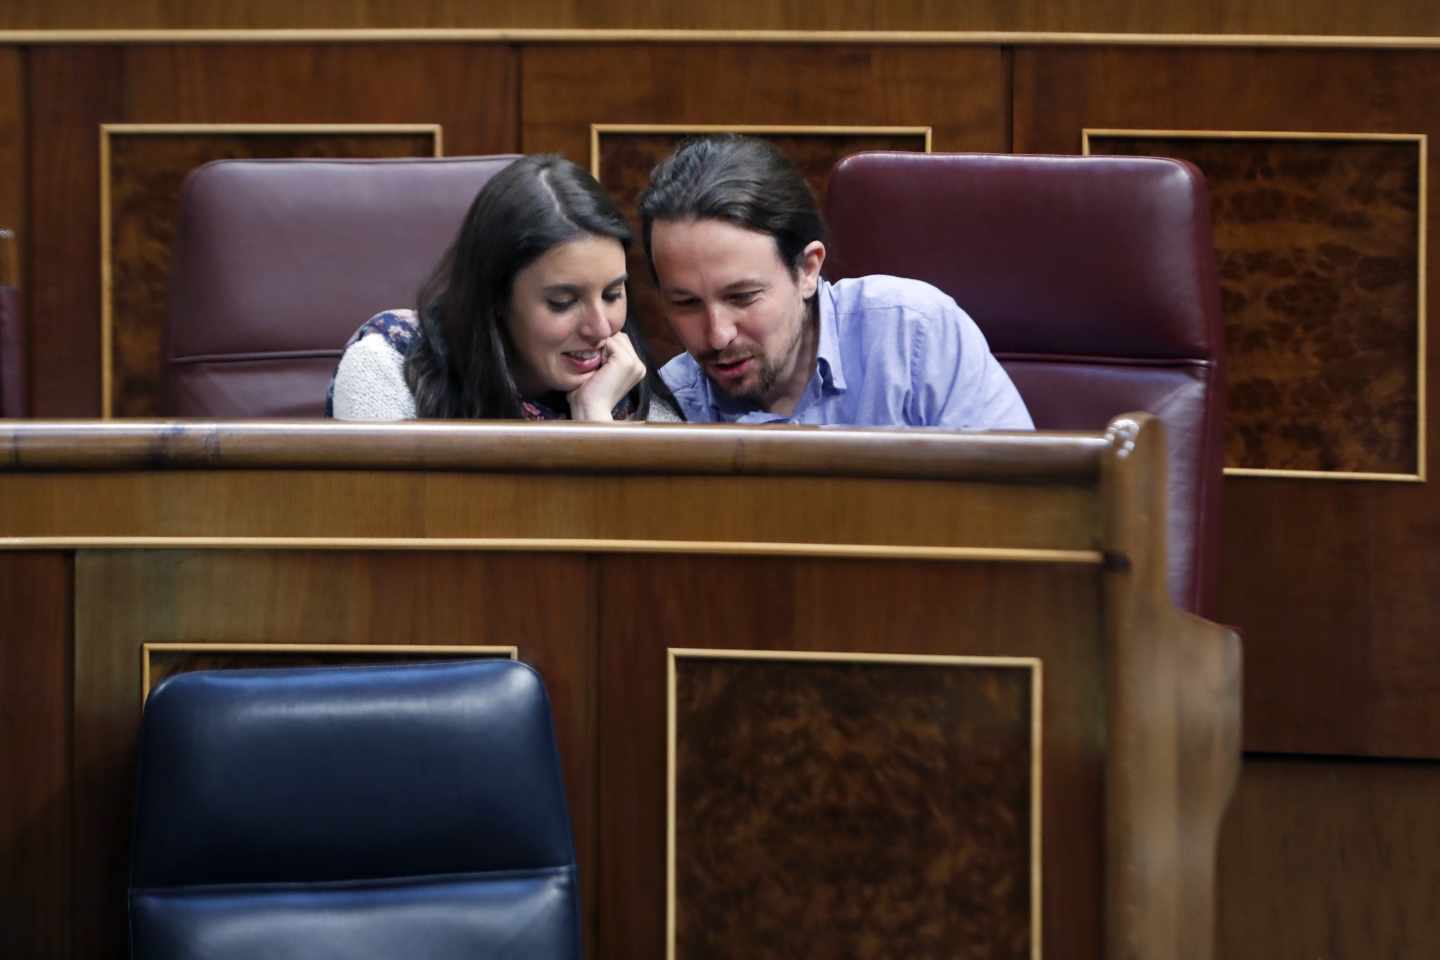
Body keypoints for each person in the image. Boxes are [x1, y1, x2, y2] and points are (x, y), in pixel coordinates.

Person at [636, 135, 1032, 429]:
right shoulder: (672, 406)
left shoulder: (914, 336)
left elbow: (1018, 505)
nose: (717, 335)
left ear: (808, 269)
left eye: (742, 297)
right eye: (686, 303)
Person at [328, 154, 681, 422]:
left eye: (612, 295)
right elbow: (386, 512)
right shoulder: (389, 364)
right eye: (563, 301)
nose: (601, 327)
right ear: (495, 296)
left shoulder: (626, 385)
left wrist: (595, 418)